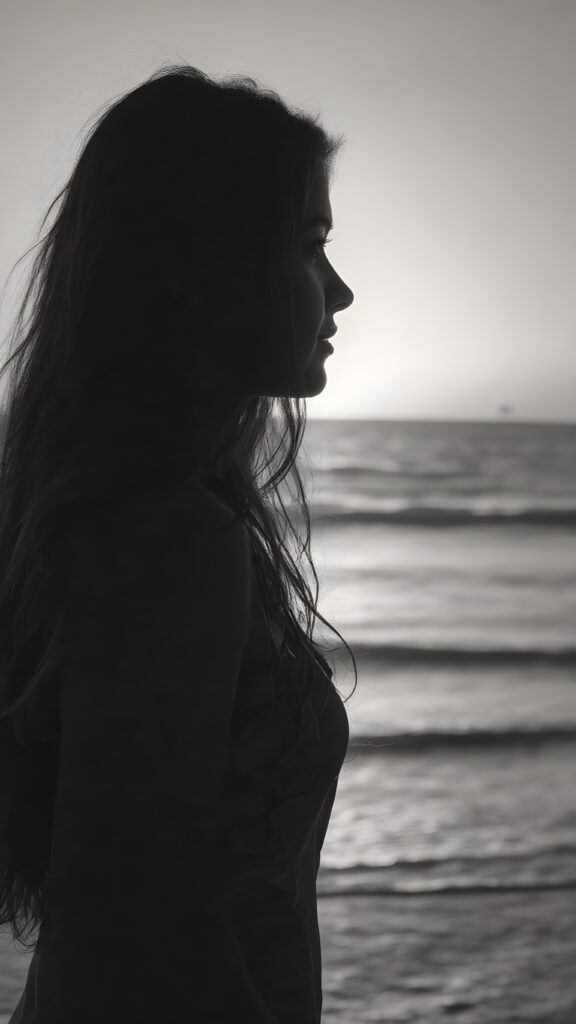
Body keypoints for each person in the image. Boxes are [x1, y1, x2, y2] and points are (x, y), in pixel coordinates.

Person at [0, 64, 356, 1023]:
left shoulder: (142, 515)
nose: (341, 290)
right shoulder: (166, 539)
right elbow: (141, 931)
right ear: (212, 261)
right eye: (310, 245)